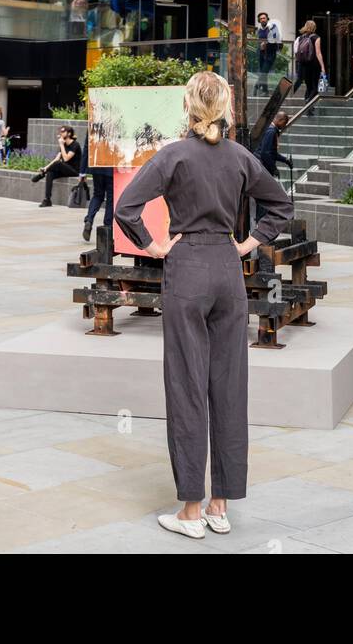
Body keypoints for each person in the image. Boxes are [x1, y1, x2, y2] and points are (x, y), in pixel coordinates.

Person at [114, 71, 292, 541]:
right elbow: (280, 206)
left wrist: (153, 246)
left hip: (187, 266)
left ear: (188, 108)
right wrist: (248, 243)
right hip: (228, 272)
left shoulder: (172, 156)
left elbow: (126, 208)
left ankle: (190, 510)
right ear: (227, 108)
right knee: (230, 386)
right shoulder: (239, 157)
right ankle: (220, 505)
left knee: (187, 384)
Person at [30, 125, 81, 208]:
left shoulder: (75, 144)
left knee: (58, 164)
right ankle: (47, 200)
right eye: (60, 132)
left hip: (74, 171)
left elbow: (66, 158)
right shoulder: (63, 145)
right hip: (65, 169)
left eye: (63, 132)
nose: (61, 133)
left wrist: (61, 145)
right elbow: (56, 159)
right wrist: (45, 168)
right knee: (50, 173)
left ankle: (41, 175)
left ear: (69, 133)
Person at [292, 19, 326, 103]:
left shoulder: (300, 38)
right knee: (315, 87)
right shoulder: (316, 37)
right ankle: (308, 102)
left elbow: (296, 51)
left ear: (305, 26)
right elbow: (318, 53)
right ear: (314, 27)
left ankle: (307, 101)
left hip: (303, 63)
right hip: (313, 64)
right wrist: (322, 66)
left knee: (309, 86)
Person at [82, 164, 113, 243]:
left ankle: (89, 219)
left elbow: (86, 152)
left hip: (97, 167)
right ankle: (107, 227)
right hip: (111, 169)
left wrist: (82, 172)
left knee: (97, 195)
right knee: (110, 199)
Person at [255, 12, 280, 94]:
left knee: (264, 72)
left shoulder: (272, 27)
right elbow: (258, 40)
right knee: (263, 72)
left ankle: (256, 86)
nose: (262, 20)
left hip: (270, 54)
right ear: (259, 20)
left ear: (267, 19)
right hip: (261, 53)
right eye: (261, 18)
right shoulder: (259, 30)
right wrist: (260, 46)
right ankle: (265, 91)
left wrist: (267, 43)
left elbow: (276, 38)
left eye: (264, 18)